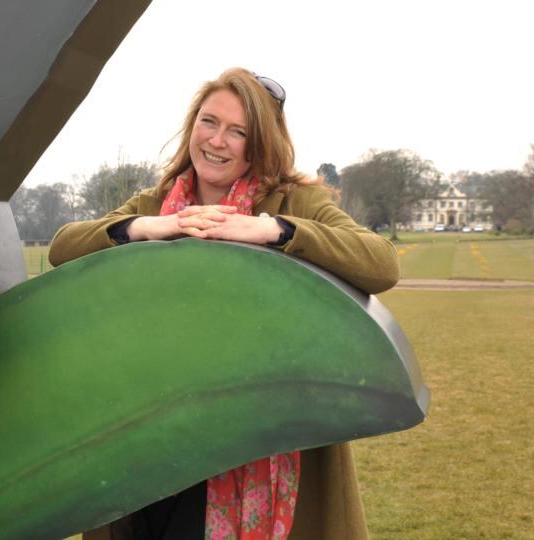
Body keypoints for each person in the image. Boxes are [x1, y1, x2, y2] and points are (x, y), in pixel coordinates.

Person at [49, 68, 398, 539]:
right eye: (209, 122)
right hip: (152, 438)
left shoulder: (296, 201)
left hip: (251, 441)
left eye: (239, 132)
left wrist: (275, 231)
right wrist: (144, 229)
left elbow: (381, 264)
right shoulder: (155, 203)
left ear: (262, 144)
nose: (218, 141)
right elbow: (62, 249)